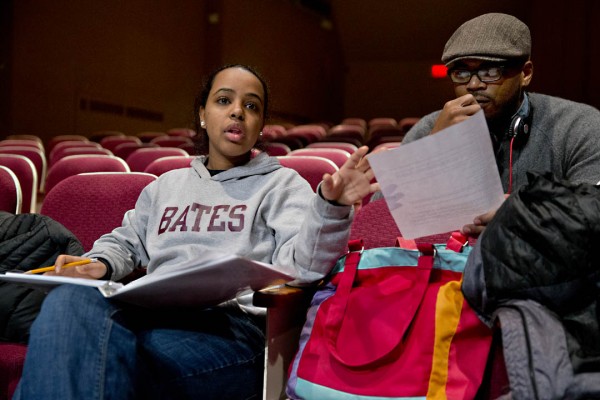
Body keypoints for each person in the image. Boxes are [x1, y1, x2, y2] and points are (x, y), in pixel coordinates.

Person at [14, 64, 378, 400]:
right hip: (149, 315)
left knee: (79, 361)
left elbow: (304, 266)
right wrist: (100, 263)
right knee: (69, 303)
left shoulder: (281, 185)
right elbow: (125, 240)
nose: (238, 111)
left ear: (261, 125)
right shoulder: (165, 186)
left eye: (251, 107)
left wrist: (330, 207)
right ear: (203, 115)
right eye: (224, 100)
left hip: (230, 332)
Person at [376, 13, 600, 237]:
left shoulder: (579, 126)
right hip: (452, 266)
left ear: (525, 73)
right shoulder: (430, 128)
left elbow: (593, 213)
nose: (473, 84)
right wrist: (435, 149)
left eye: (490, 71)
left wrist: (525, 215)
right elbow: (377, 221)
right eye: (462, 72)